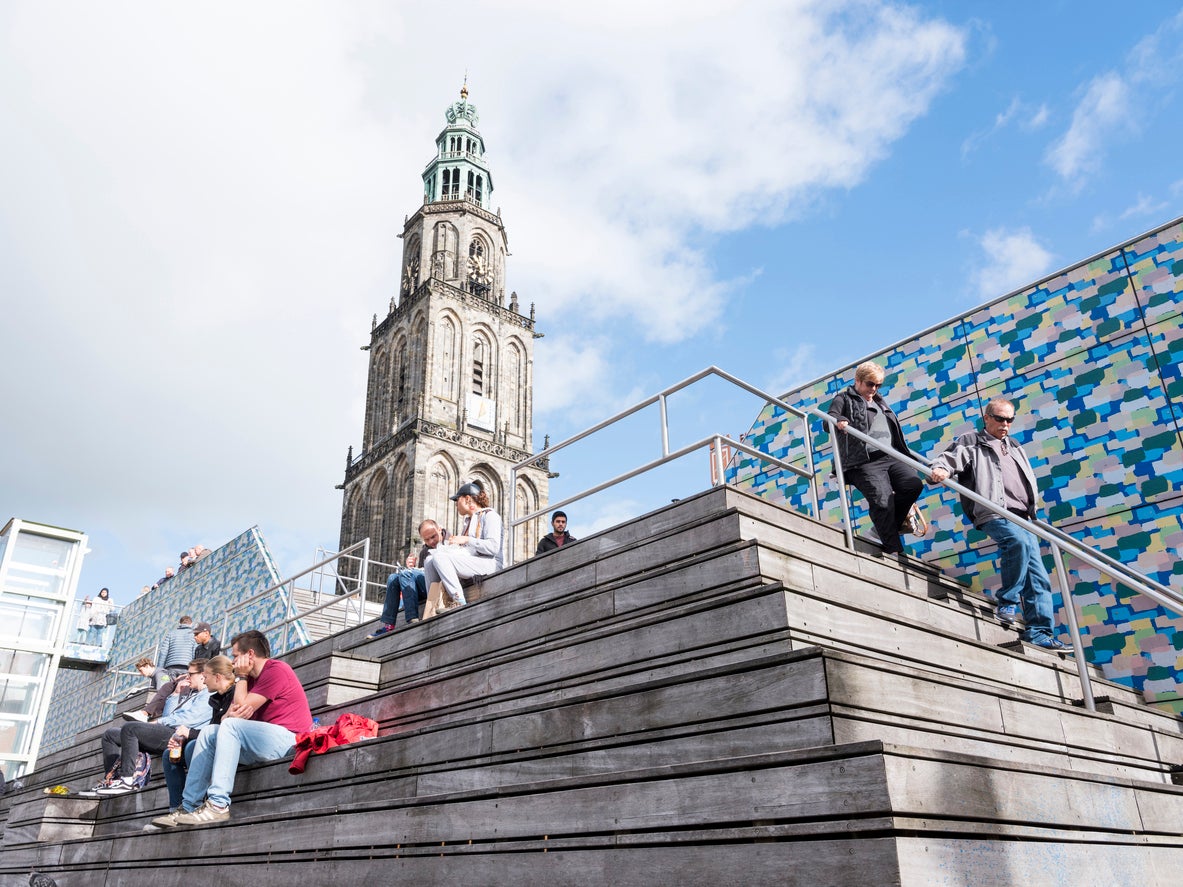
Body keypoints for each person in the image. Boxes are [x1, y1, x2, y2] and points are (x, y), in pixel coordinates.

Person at [928, 397, 1070, 652]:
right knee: (1016, 542)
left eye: (1010, 420)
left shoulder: (1014, 445)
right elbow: (948, 459)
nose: (1005, 424)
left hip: (1023, 517)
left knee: (1038, 576)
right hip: (993, 511)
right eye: (1000, 419)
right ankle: (1007, 601)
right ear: (987, 418)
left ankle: (1039, 632)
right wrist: (940, 470)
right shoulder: (972, 441)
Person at [152, 629, 312, 828]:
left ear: (250, 655)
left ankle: (218, 805)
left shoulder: (276, 670)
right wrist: (239, 694)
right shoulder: (251, 680)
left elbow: (239, 710)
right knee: (210, 733)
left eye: (236, 656)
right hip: (261, 742)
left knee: (230, 726)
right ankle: (189, 806)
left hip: (290, 740)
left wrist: (242, 677)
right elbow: (231, 714)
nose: (234, 663)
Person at [826, 361, 922, 556]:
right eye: (870, 384)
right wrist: (839, 420)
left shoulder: (879, 401)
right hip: (863, 460)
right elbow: (829, 418)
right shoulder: (843, 398)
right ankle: (894, 551)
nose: (874, 389)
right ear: (858, 381)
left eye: (878, 385)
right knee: (882, 500)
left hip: (890, 455)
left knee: (913, 485)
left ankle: (881, 529)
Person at [94, 660, 212, 797]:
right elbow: (170, 714)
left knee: (130, 728)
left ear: (202, 675)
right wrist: (175, 694)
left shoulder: (207, 695)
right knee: (110, 734)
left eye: (190, 674)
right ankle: (112, 779)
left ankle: (127, 780)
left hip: (178, 735)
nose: (187, 677)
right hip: (168, 729)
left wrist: (157, 723)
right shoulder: (193, 694)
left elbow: (188, 719)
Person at [161, 655, 237, 813]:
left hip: (231, 744)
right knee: (169, 754)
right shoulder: (216, 698)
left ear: (217, 677)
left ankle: (197, 803)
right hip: (213, 740)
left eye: (206, 677)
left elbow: (220, 732)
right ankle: (176, 808)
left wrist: (189, 733)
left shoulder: (234, 693)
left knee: (192, 748)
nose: (204, 680)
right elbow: (211, 730)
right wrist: (185, 736)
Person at [422, 482, 503, 611]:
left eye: (457, 500)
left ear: (467, 499)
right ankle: (432, 606)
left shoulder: (490, 515)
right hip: (473, 561)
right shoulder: (468, 521)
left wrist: (466, 539)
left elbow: (493, 547)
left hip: (490, 563)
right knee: (429, 560)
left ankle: (459, 601)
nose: (456, 504)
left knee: (440, 558)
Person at [367, 519, 449, 638]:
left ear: (439, 530)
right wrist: (412, 568)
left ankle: (412, 619)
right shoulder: (424, 551)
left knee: (406, 573)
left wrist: (411, 572)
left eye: (433, 537)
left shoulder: (450, 541)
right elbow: (424, 575)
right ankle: (388, 625)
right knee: (393, 578)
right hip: (428, 586)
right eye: (427, 539)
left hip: (442, 587)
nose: (431, 541)